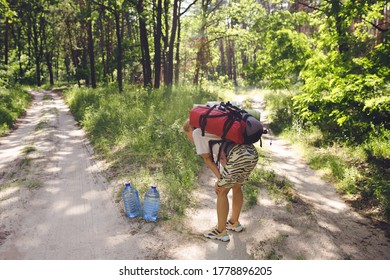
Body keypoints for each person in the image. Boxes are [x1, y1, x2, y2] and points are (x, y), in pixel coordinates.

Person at [183, 119, 259, 242]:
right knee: (236, 186)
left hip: (236, 156)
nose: (189, 139)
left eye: (187, 135)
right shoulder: (216, 129)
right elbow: (223, 159)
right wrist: (222, 177)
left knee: (221, 191)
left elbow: (208, 159)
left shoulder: (198, 133)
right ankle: (234, 222)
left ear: (191, 129)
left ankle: (221, 231)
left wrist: (220, 179)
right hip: (250, 153)